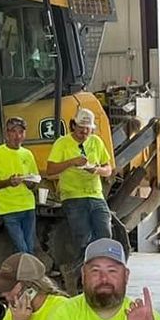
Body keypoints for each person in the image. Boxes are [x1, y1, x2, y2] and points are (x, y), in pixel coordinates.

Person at [44, 107, 114, 267]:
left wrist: (96, 170)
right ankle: (84, 271)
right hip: (73, 196)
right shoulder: (62, 143)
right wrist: (71, 162)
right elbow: (50, 170)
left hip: (96, 195)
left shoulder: (96, 142)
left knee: (105, 233)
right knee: (82, 237)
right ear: (73, 125)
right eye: (81, 130)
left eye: (88, 130)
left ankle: (100, 266)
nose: (84, 134)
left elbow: (108, 169)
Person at [0, 115, 42, 255]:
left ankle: (25, 275)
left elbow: (35, 182)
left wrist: (30, 182)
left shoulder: (28, 154)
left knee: (30, 248)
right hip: (8, 208)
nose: (17, 136)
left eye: (21, 132)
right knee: (22, 248)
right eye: (13, 131)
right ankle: (23, 274)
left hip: (28, 206)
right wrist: (8, 182)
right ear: (6, 134)